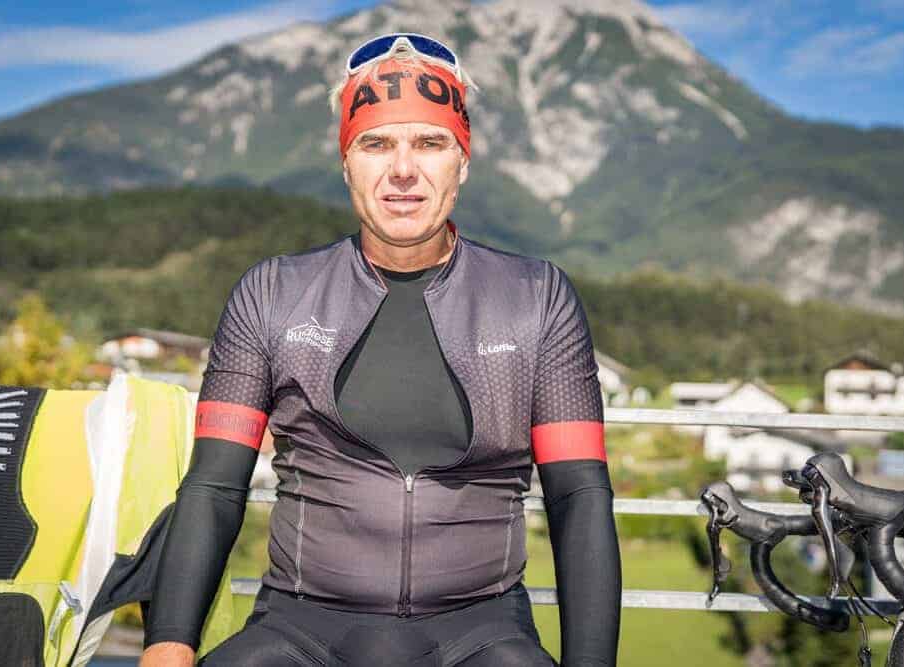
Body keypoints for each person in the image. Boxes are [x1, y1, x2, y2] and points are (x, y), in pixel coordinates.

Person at [139, 32, 621, 666]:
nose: (402, 170)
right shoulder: (272, 293)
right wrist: (168, 647)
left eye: (430, 143)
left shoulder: (538, 298)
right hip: (297, 630)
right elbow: (213, 488)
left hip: (483, 635)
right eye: (376, 144)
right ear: (347, 162)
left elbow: (578, 494)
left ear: (462, 161)